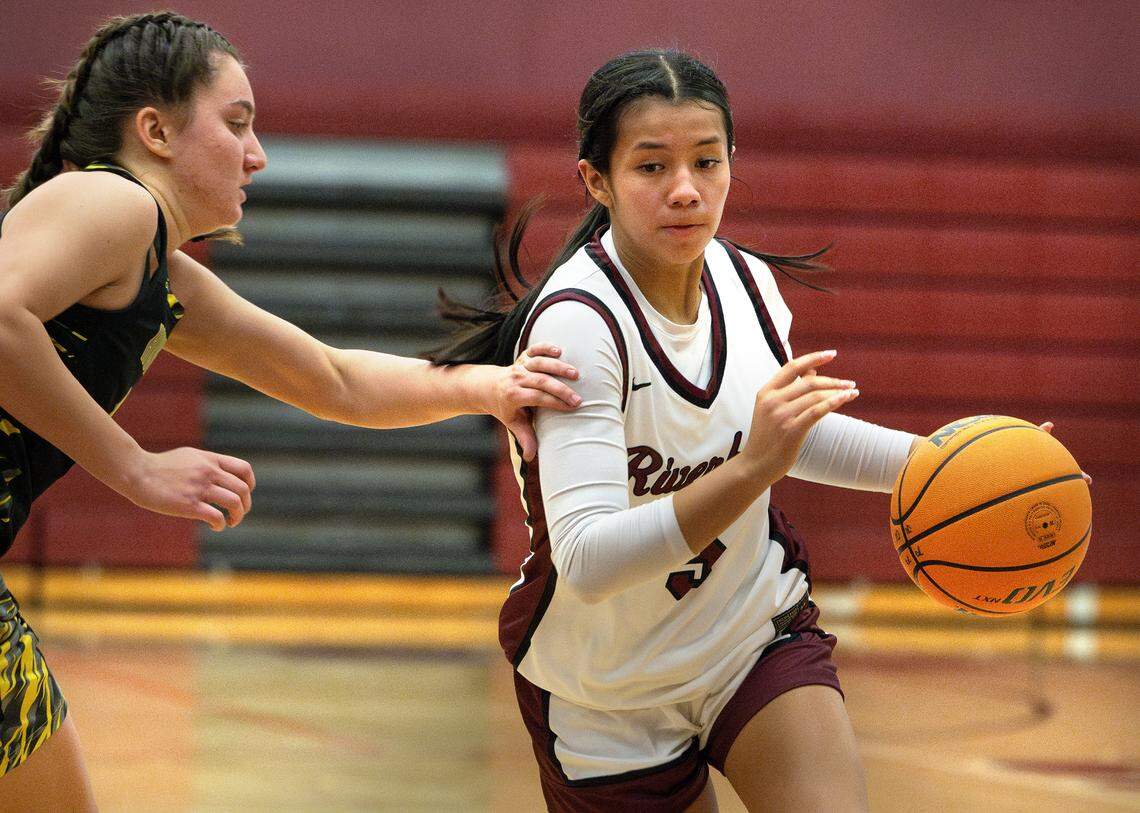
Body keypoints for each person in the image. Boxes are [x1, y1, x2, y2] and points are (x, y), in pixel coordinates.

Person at [0, 13, 580, 811]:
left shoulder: (162, 277)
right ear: (155, 132)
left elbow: (333, 379)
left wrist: (487, 386)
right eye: (236, 122)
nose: (257, 154)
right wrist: (134, 465)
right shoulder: (115, 201)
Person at [429, 50, 925, 812]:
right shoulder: (577, 325)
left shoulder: (749, 285)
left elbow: (786, 437)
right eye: (652, 166)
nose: (686, 188)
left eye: (707, 161)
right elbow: (589, 558)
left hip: (748, 635)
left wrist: (956, 462)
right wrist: (751, 470)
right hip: (604, 688)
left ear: (732, 163)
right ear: (596, 180)